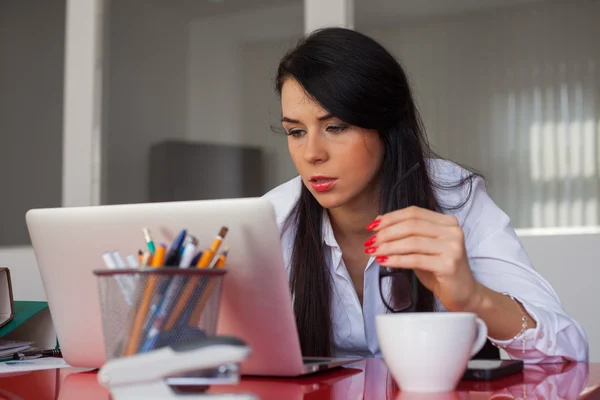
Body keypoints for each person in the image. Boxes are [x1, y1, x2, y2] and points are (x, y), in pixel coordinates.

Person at [262, 27, 588, 363]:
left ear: (386, 128)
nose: (312, 153)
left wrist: (472, 296)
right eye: (296, 132)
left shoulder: (454, 199)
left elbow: (569, 352)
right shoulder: (270, 221)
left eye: (336, 127)